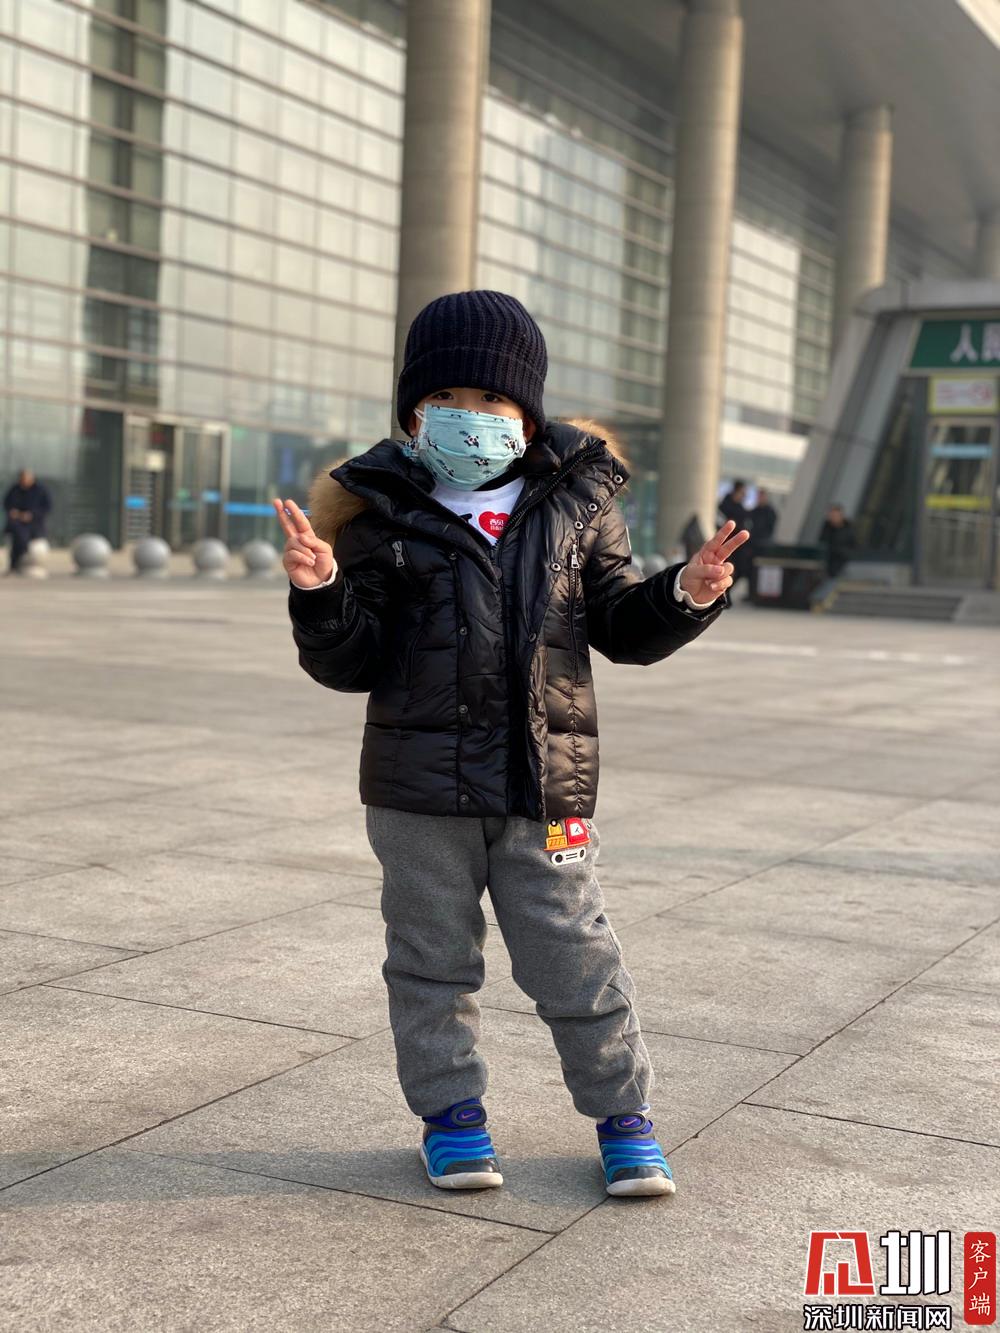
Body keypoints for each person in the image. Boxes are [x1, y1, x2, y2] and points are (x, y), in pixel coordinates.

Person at [273, 290, 749, 1200]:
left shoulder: (578, 501)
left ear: (526, 411)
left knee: (576, 956)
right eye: (446, 396)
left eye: (492, 398)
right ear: (413, 410)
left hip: (546, 785)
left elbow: (620, 624)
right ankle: (452, 1120)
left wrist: (686, 592)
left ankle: (625, 1120)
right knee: (430, 961)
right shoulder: (377, 514)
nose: (472, 414)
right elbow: (350, 661)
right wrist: (322, 593)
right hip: (418, 792)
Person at [3, 467, 52, 575]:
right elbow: (7, 503)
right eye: (22, 478)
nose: (24, 480)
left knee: (23, 537)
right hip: (17, 523)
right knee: (17, 536)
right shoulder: (15, 489)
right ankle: (15, 564)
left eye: (26, 478)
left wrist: (32, 515)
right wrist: (13, 512)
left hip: (35, 523)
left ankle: (21, 562)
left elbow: (47, 507)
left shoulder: (40, 490)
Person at [718, 479, 753, 599]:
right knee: (725, 569)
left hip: (740, 546)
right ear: (737, 491)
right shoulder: (725, 505)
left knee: (740, 570)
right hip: (726, 543)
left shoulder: (741, 506)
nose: (745, 494)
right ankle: (722, 594)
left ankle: (725, 593)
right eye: (743, 491)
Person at [746, 486, 778, 602]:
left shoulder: (770, 511)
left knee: (762, 572)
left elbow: (770, 529)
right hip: (753, 545)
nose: (760, 498)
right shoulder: (754, 511)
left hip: (764, 546)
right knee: (751, 571)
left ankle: (760, 595)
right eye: (758, 496)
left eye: (761, 496)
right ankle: (751, 594)